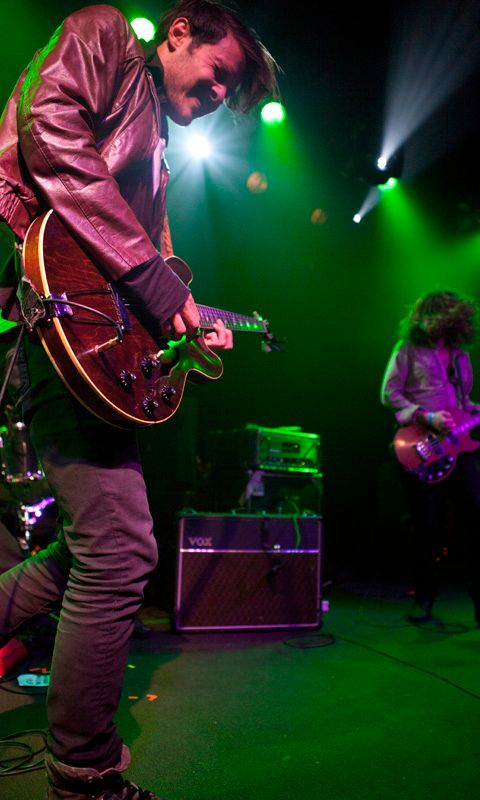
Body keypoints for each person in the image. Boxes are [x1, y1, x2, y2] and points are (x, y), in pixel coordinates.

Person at [0, 2, 279, 799]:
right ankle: (84, 775)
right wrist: (157, 285)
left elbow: (142, 279)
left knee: (97, 548)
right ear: (180, 31)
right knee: (119, 550)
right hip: (43, 312)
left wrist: (188, 332)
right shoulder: (106, 36)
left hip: (74, 330)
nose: (217, 96)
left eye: (229, 93)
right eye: (218, 74)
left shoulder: (154, 152)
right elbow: (51, 135)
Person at [380, 289, 480, 636]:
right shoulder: (407, 350)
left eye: (440, 317)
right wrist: (425, 416)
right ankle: (424, 599)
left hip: (460, 448)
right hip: (422, 445)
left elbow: (463, 402)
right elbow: (388, 393)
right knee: (426, 526)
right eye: (429, 316)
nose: (432, 322)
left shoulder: (460, 356)